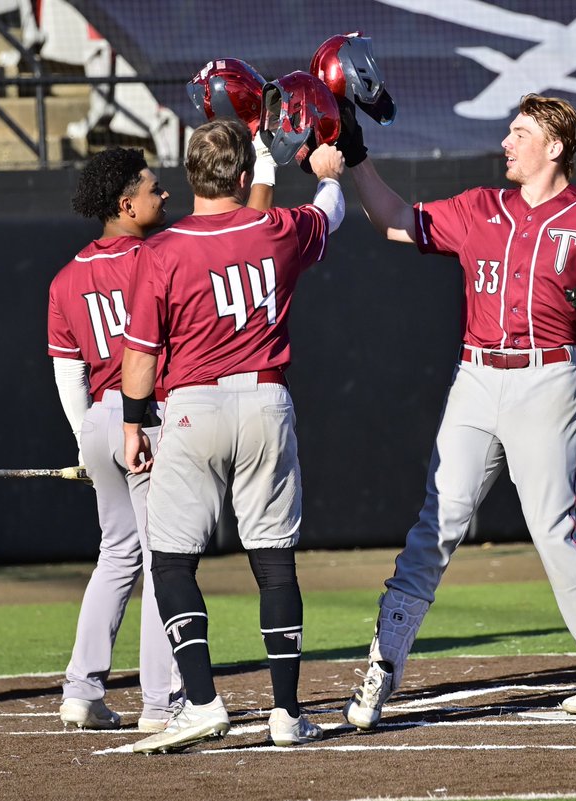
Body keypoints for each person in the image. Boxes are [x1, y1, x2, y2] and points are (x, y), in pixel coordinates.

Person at [333, 94, 576, 729]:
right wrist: (357, 157)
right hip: (476, 377)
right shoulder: (480, 206)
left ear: (555, 147)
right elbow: (395, 219)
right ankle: (383, 665)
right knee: (436, 525)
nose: (506, 142)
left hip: (547, 376)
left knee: (552, 526)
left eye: (520, 133)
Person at [119, 118, 346, 753]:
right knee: (274, 561)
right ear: (243, 177)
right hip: (266, 400)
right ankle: (286, 713)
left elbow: (140, 354)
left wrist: (134, 424)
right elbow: (330, 213)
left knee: (171, 559)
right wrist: (329, 175)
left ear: (190, 174)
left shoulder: (161, 249)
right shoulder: (277, 228)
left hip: (193, 405)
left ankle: (201, 702)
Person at [48, 141, 279, 732]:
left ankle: (81, 689)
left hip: (100, 421)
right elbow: (244, 235)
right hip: (145, 418)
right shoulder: (158, 254)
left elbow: (68, 372)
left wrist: (84, 438)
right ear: (126, 205)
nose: (165, 192)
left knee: (116, 554)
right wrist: (264, 168)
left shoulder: (66, 277)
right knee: (164, 559)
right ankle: (162, 701)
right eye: (153, 188)